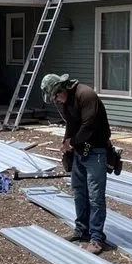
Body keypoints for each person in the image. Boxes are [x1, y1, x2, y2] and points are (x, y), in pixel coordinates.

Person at [41, 73, 111, 254]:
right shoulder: (67, 102)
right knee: (79, 191)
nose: (57, 101)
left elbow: (89, 125)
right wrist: (66, 144)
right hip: (80, 151)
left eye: (56, 97)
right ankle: (82, 230)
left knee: (95, 196)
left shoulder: (86, 95)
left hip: (95, 151)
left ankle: (96, 238)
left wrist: (72, 143)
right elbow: (71, 126)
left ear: (61, 89)